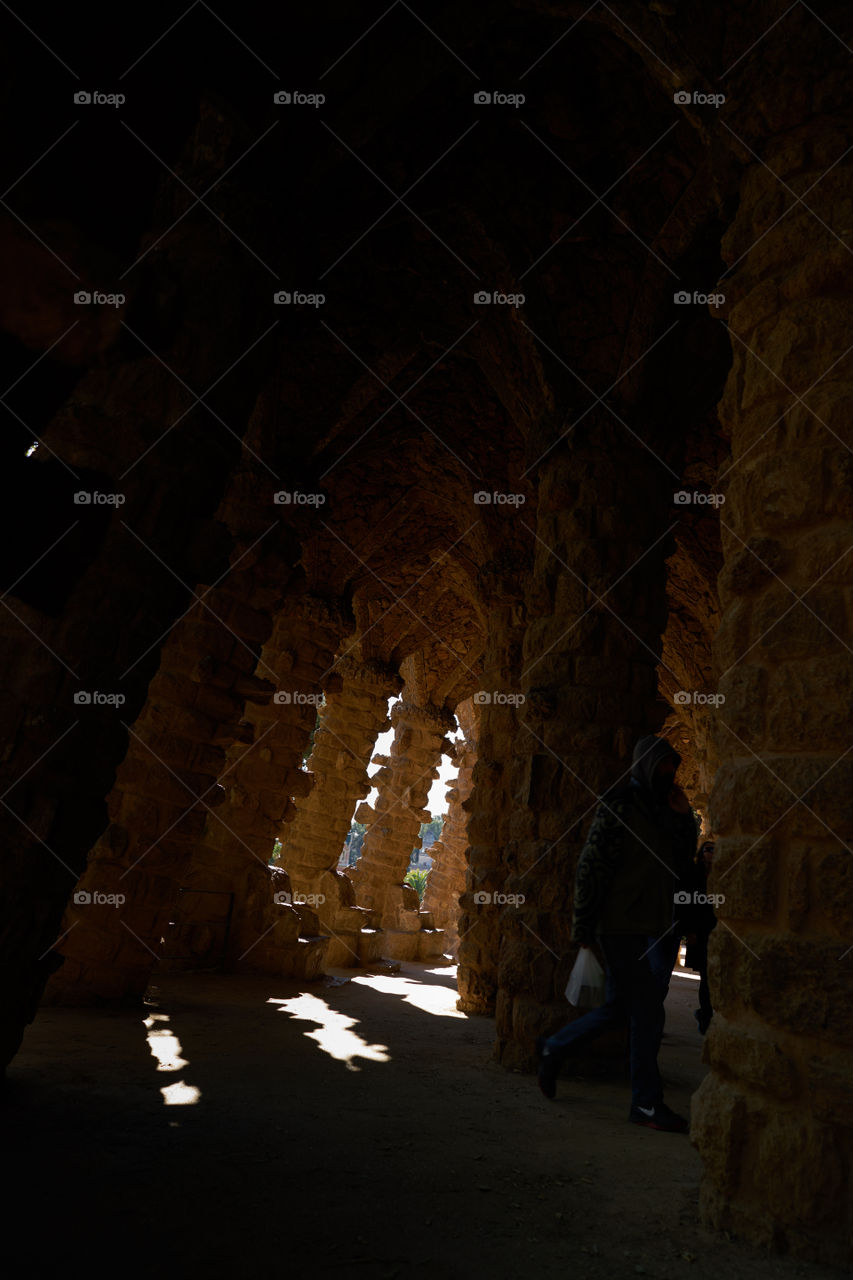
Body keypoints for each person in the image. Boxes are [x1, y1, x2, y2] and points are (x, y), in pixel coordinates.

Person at [536, 735, 698, 1133]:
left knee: (619, 1010)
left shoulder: (664, 809)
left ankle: (555, 1048)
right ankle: (645, 1102)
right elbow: (592, 867)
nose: (668, 774)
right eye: (662, 766)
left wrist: (683, 818)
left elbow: (681, 861)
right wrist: (584, 927)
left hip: (653, 922)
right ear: (646, 765)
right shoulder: (620, 804)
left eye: (672, 768)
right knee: (647, 1010)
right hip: (620, 925)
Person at [685, 840, 717, 1034]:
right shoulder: (695, 874)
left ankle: (705, 1014)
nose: (712, 853)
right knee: (705, 975)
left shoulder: (720, 873)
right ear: (701, 852)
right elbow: (689, 902)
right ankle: (705, 1015)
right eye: (709, 849)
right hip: (700, 931)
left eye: (715, 850)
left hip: (714, 929)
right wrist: (690, 931)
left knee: (710, 976)